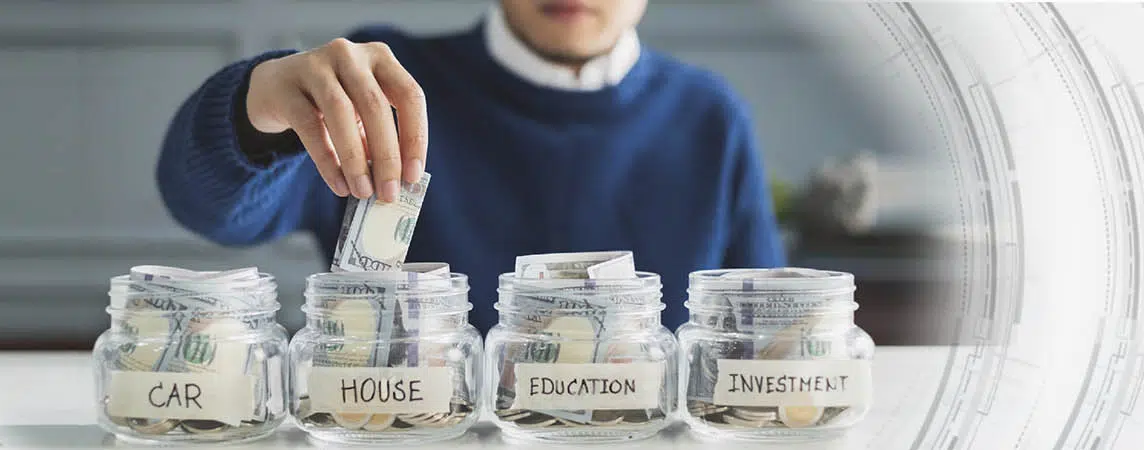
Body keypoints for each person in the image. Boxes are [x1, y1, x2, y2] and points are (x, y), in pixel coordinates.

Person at [155, 0, 786, 332]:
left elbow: (768, 326)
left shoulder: (710, 116)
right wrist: (254, 102)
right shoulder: (386, 84)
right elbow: (208, 209)